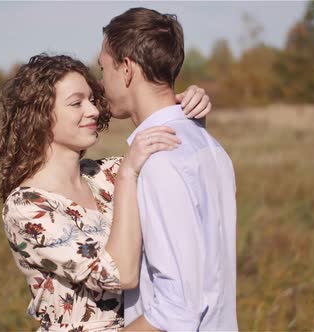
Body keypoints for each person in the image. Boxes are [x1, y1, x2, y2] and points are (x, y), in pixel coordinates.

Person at [0, 54, 212, 331]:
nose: (94, 111)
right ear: (38, 115)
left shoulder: (106, 174)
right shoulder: (27, 207)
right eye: (76, 103)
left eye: (92, 100)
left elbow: (177, 159)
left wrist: (189, 109)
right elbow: (119, 275)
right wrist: (128, 173)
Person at [98, 8, 238, 331]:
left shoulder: (160, 161)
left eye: (103, 67)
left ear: (127, 69)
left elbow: (176, 310)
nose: (102, 80)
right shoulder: (212, 147)